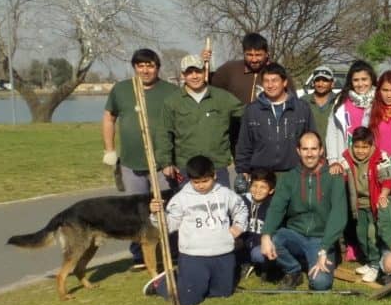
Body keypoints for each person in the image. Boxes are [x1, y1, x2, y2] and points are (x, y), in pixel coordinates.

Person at [100, 48, 179, 269]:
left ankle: (169, 252)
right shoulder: (122, 90)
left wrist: (172, 160)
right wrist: (109, 149)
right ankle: (139, 256)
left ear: (157, 67)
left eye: (150, 65)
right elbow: (109, 118)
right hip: (131, 162)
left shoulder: (170, 91)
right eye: (141, 66)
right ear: (135, 67)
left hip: (162, 164)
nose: (146, 70)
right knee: (136, 212)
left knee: (165, 209)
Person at [146, 155, 248, 305]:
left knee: (222, 294)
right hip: (194, 256)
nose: (201, 185)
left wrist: (238, 226)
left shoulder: (226, 194)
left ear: (214, 175)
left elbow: (241, 208)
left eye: (205, 181)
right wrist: (156, 214)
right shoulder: (181, 199)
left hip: (223, 253)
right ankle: (162, 283)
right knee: (188, 300)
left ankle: (191, 280)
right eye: (196, 182)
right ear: (189, 179)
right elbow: (169, 225)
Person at [261, 131, 348, 291]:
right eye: (305, 149)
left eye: (314, 149)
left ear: (321, 150)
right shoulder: (288, 178)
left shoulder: (334, 177)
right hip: (295, 234)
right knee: (273, 239)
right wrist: (266, 234)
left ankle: (314, 259)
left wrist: (325, 248)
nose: (309, 154)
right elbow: (276, 208)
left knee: (320, 284)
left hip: (321, 239)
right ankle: (293, 271)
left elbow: (339, 214)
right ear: (298, 151)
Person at [157, 55, 244, 189]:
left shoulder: (222, 97)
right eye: (189, 72)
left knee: (220, 207)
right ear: (183, 75)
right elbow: (164, 133)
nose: (194, 76)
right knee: (190, 208)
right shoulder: (172, 102)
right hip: (187, 168)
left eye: (198, 71)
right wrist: (166, 162)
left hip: (217, 166)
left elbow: (246, 114)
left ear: (205, 72)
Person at [234, 62, 312, 177]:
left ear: (284, 82)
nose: (270, 85)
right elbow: (244, 144)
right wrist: (242, 170)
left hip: (295, 173)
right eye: (266, 81)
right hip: (261, 175)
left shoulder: (301, 108)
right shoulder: (252, 110)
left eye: (274, 80)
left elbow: (312, 140)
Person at [342, 126, 391, 283]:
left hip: (375, 204)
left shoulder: (380, 157)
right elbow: (341, 176)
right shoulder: (346, 158)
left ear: (371, 146)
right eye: (357, 146)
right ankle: (369, 262)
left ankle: (376, 266)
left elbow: (388, 179)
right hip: (359, 205)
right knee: (361, 234)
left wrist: (383, 194)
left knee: (372, 235)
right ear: (352, 145)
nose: (360, 151)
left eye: (365, 147)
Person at [326, 60, 377, 173]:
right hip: (346, 162)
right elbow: (332, 132)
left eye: (364, 79)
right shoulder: (341, 102)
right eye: (356, 80)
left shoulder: (379, 101)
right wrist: (333, 160)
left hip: (373, 162)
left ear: (371, 79)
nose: (360, 84)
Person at [205, 32, 271, 104]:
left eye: (258, 55)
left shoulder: (276, 72)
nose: (254, 60)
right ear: (243, 53)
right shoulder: (230, 69)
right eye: (249, 55)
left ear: (267, 54)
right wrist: (203, 64)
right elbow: (207, 84)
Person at [241, 168, 276, 280]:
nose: (257, 190)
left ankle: (268, 267)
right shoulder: (242, 202)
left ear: (271, 190)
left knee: (258, 254)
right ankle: (244, 263)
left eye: (263, 187)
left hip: (262, 245)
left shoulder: (273, 206)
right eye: (255, 186)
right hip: (246, 242)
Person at [303, 65, 338, 140]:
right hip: (310, 149)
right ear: (313, 83)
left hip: (333, 149)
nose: (320, 84)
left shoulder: (339, 101)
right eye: (317, 80)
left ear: (332, 83)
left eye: (325, 80)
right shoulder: (303, 101)